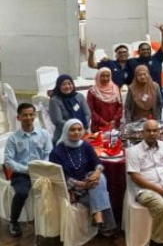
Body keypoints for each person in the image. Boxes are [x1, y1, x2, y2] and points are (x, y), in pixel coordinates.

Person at [48, 119, 117, 237]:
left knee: (100, 178)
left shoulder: (86, 145)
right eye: (72, 130)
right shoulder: (57, 152)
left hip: (90, 183)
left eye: (79, 129)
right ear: (65, 131)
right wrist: (81, 184)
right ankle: (103, 222)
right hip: (73, 190)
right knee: (103, 194)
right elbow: (60, 177)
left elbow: (97, 162)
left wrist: (97, 172)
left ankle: (99, 219)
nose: (77, 132)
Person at [4, 103, 52, 237]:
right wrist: (27, 170)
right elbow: (8, 160)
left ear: (35, 115)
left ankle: (51, 220)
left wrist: (42, 167)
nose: (29, 117)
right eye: (25, 115)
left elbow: (49, 153)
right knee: (21, 192)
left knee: (56, 188)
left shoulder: (44, 134)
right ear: (18, 117)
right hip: (21, 174)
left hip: (42, 171)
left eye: (31, 114)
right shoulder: (13, 138)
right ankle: (13, 222)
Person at [50, 74, 91, 143]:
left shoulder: (79, 96)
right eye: (63, 84)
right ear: (59, 86)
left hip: (83, 133)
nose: (67, 86)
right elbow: (58, 120)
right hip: (63, 136)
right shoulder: (55, 100)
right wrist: (74, 129)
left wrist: (82, 128)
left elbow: (87, 114)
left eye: (69, 83)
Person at [87, 67, 123, 132]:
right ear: (98, 77)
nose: (105, 78)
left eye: (107, 76)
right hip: (98, 127)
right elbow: (90, 110)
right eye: (103, 76)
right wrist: (103, 122)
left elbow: (120, 106)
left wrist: (114, 120)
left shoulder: (116, 89)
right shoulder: (93, 92)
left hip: (114, 126)